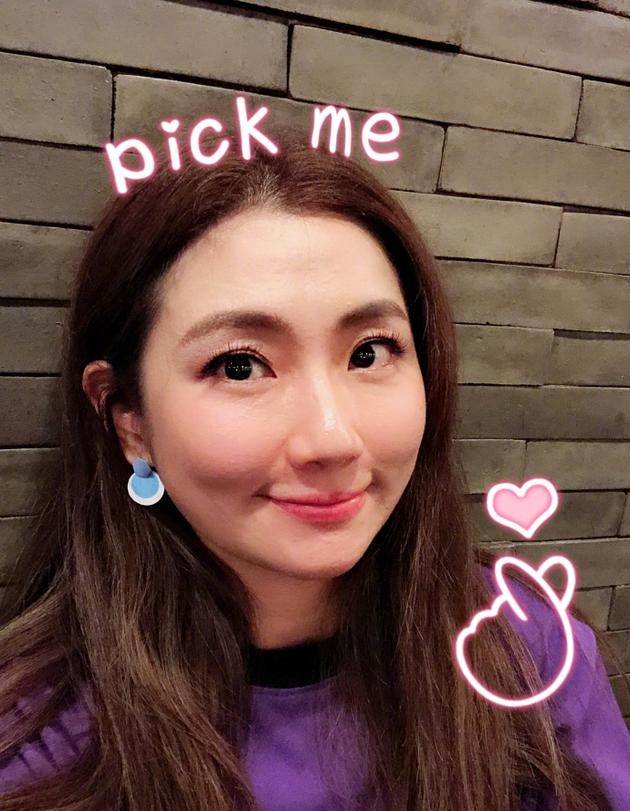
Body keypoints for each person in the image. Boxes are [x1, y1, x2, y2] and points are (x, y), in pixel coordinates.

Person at [0, 128, 628, 811]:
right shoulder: (37, 741)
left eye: (369, 353)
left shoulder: (529, 653)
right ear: (130, 421)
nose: (332, 438)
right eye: (240, 365)